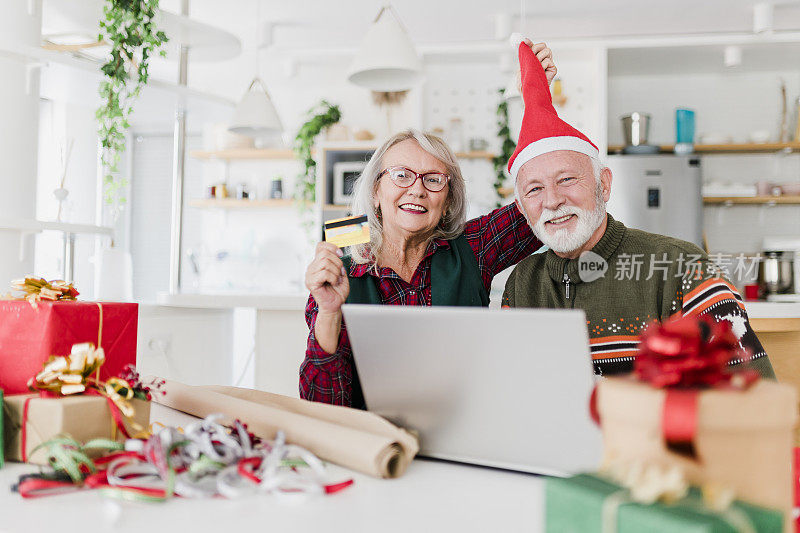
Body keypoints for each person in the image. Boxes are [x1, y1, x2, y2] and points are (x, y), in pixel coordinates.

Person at [299, 40, 557, 409]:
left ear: (448, 198)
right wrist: (328, 311)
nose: (417, 189)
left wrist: (537, 98)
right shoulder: (341, 265)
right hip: (376, 444)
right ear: (375, 190)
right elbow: (323, 404)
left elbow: (542, 198)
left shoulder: (472, 246)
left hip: (463, 433)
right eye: (401, 175)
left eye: (434, 179)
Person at [501, 37, 775, 378]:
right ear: (522, 208)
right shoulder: (523, 284)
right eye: (535, 189)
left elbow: (754, 395)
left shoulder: (681, 268)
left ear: (604, 184)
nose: (553, 200)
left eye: (567, 179)